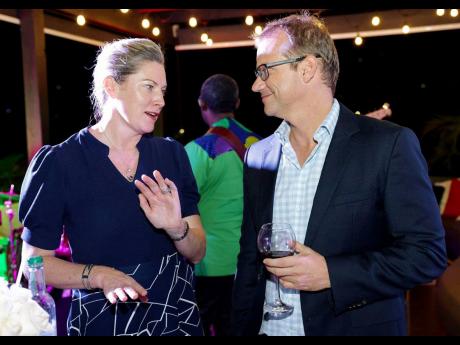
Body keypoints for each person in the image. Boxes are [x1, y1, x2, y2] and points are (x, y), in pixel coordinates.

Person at [230, 12, 447, 336]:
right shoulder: (259, 156)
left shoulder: (387, 145)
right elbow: (250, 260)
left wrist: (332, 274)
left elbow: (426, 254)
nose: (255, 84)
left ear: (307, 68)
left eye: (264, 70)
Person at [18, 38, 206, 336]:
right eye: (149, 87)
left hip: (176, 317)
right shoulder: (61, 163)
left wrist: (176, 229)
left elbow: (196, 252)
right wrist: (99, 276)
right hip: (104, 320)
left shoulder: (171, 155)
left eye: (163, 90)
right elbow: (34, 264)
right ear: (111, 86)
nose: (161, 99)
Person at [185, 74, 260, 336]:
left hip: (209, 263)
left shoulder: (198, 150)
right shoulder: (258, 144)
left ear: (202, 104)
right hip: (250, 261)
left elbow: (180, 206)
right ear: (237, 102)